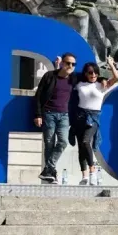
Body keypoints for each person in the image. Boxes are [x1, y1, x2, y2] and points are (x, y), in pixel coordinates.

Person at [70, 58, 118, 185]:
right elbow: (66, 78)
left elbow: (117, 77)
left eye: (95, 73)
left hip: (94, 117)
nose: (93, 75)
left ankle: (93, 171)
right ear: (85, 73)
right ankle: (84, 176)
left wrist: (111, 65)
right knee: (81, 146)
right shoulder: (79, 84)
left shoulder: (101, 85)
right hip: (80, 116)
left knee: (86, 141)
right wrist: (58, 66)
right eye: (90, 72)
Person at [34, 53, 78, 183]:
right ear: (62, 63)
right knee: (49, 143)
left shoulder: (74, 79)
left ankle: (48, 169)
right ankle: (51, 174)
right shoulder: (49, 76)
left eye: (73, 64)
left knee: (63, 142)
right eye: (68, 63)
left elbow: (92, 77)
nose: (70, 66)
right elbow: (38, 96)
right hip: (48, 113)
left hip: (64, 115)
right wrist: (38, 114)